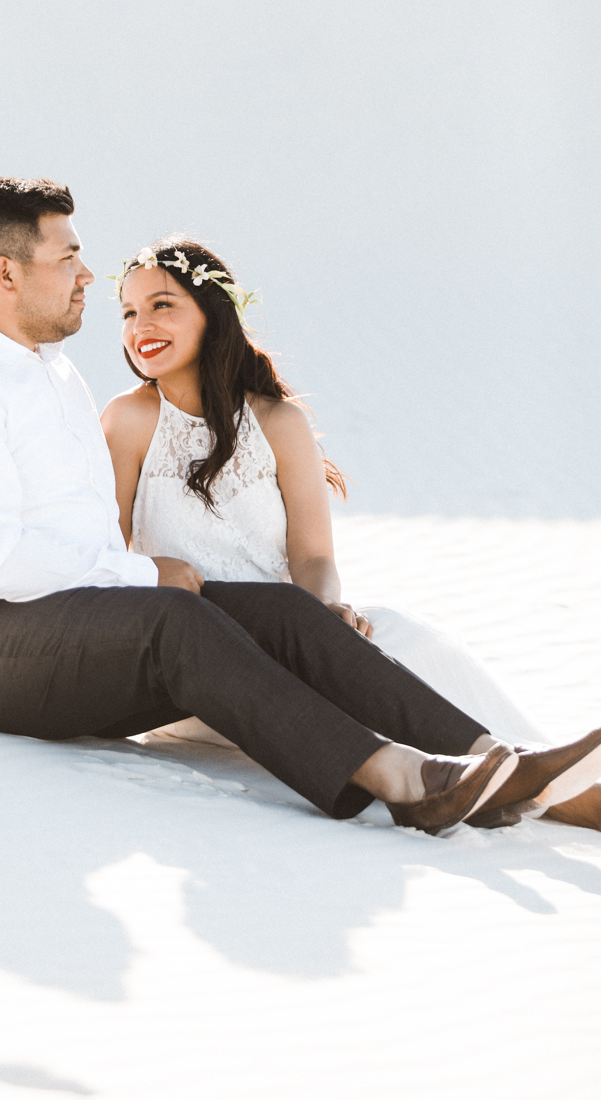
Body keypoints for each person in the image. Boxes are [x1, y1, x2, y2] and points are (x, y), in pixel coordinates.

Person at [0, 177, 601, 838]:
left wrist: (136, 585)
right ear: (6, 272)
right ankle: (405, 780)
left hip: (69, 626)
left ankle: (498, 767)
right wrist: (142, 578)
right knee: (175, 616)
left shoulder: (49, 374)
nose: (87, 275)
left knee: (283, 611)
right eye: (67, 257)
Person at [101, 236, 601, 831]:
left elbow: (312, 556)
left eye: (162, 305)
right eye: (129, 312)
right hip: (207, 661)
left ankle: (538, 770)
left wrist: (323, 618)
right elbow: (106, 555)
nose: (140, 326)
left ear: (213, 311)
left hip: (297, 627)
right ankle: (540, 793)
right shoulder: (128, 421)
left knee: (405, 638)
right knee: (350, 683)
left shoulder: (279, 422)